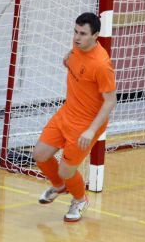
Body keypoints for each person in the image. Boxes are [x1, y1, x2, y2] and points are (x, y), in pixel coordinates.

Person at [33, 12, 116, 222]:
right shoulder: (76, 46)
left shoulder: (101, 65)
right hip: (67, 112)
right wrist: (68, 57)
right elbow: (75, 57)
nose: (77, 37)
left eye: (83, 34)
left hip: (86, 124)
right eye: (75, 32)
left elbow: (110, 101)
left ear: (95, 35)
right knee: (40, 154)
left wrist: (91, 130)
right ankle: (59, 186)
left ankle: (80, 200)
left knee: (66, 170)